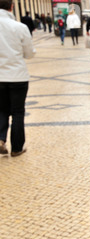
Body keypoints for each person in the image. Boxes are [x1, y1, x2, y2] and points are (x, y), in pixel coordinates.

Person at [0, 0, 35, 157]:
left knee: (1, 110)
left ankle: (1, 139)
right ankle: (16, 148)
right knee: (17, 112)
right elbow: (29, 53)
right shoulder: (20, 27)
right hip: (17, 76)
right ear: (12, 7)